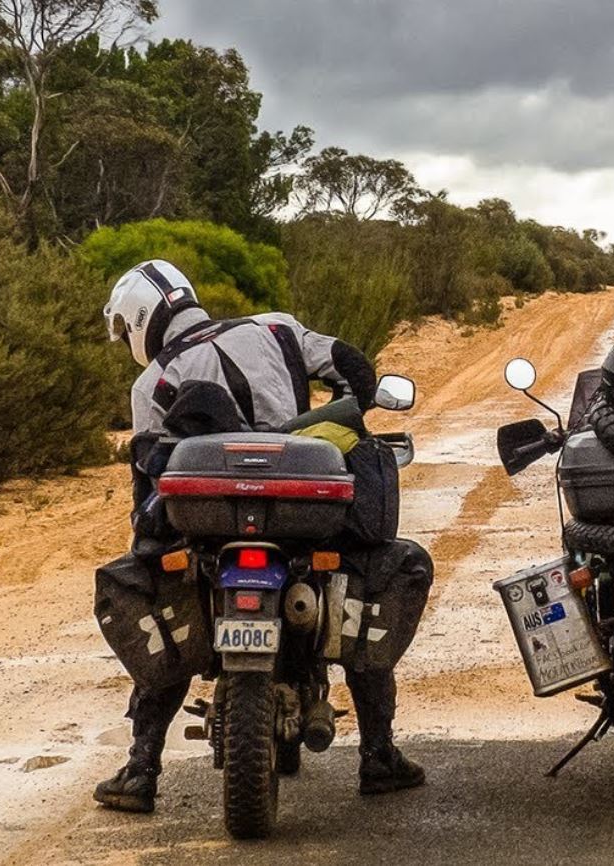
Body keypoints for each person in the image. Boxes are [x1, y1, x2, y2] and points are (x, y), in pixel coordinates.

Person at [93, 259, 428, 813]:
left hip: (211, 527)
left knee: (169, 596)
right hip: (303, 516)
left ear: (140, 321)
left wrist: (149, 540)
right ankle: (378, 755)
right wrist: (344, 419)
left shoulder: (151, 382)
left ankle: (141, 767)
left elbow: (148, 477)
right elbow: (352, 367)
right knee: (362, 577)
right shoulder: (276, 328)